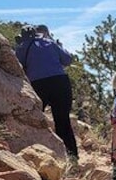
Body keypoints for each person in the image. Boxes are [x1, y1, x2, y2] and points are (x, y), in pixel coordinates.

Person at [15, 24, 79, 158]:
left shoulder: (22, 47)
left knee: (36, 118)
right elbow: (67, 60)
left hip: (38, 84)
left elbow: (18, 66)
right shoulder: (50, 42)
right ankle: (72, 157)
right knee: (63, 121)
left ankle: (38, 153)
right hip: (60, 82)